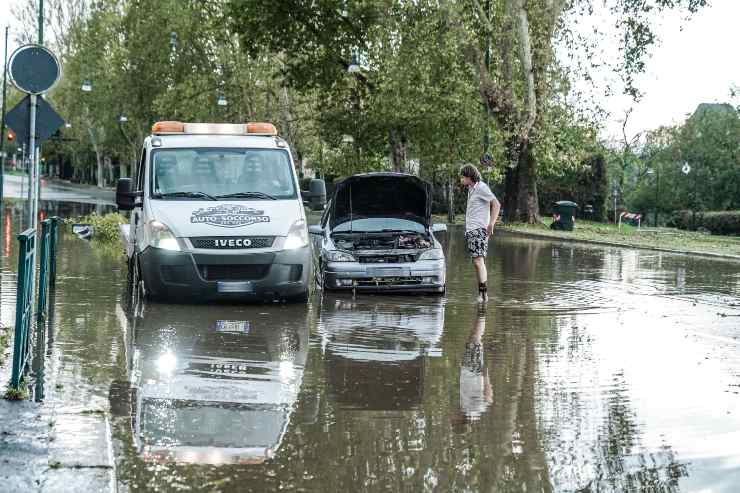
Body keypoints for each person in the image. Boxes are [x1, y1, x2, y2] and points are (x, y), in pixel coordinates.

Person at [460, 164, 501, 302]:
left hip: (479, 230)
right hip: (471, 230)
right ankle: (482, 293)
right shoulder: (472, 189)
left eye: (463, 176)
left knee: (479, 261)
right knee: (476, 262)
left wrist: (492, 223)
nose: (461, 179)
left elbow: (496, 204)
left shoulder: (482, 187)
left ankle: (483, 294)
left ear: (469, 176)